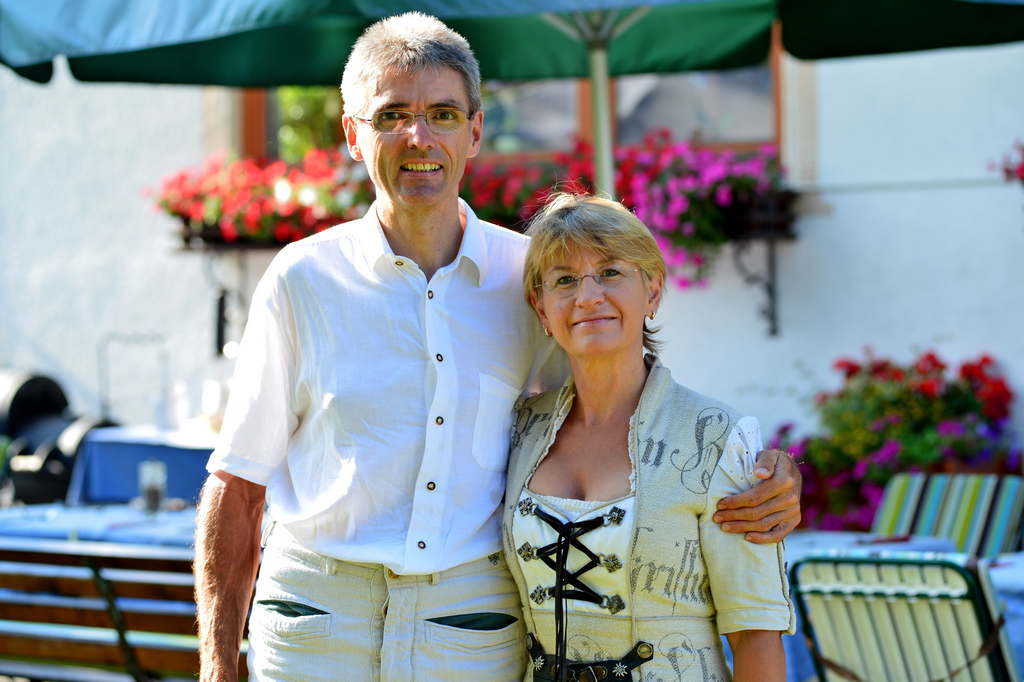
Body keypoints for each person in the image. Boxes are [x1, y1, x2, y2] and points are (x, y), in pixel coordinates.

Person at [194, 12, 802, 682]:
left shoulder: (529, 278)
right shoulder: (302, 279)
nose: (420, 137)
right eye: (392, 115)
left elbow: (618, 400)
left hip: (469, 625)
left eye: (443, 114)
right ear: (352, 135)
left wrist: (760, 470)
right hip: (317, 620)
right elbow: (238, 482)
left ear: (476, 131)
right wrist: (218, 667)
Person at [503, 193, 794, 682]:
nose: (588, 296)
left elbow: (755, 634)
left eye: (610, 272)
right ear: (541, 307)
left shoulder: (716, 436)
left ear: (653, 291)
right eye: (565, 280)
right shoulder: (519, 429)